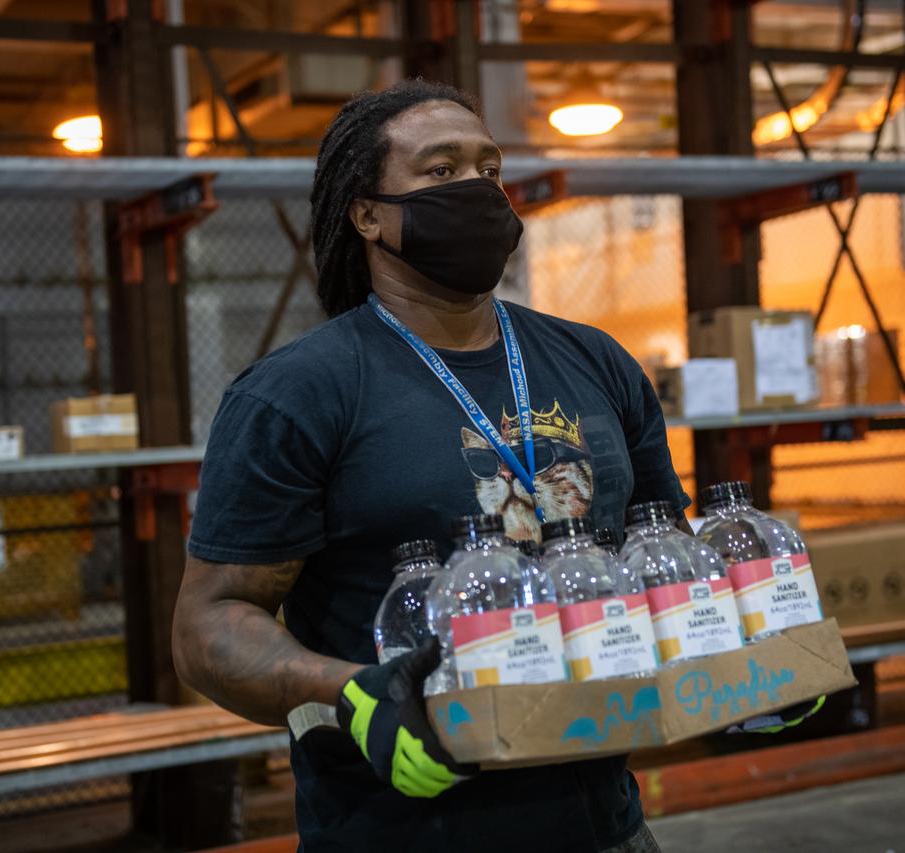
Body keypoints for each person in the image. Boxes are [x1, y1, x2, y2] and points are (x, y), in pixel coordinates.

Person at [173, 79, 684, 852]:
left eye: (488, 168)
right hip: (400, 829)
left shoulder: (594, 362)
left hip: (607, 825)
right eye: (440, 171)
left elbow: (664, 550)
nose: (477, 189)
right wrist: (351, 693)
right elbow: (208, 625)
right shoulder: (299, 393)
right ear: (368, 213)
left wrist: (749, 651)